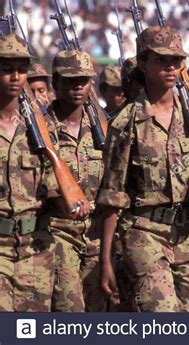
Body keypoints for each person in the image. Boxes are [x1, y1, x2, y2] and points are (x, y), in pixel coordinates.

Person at [98, 26, 189, 312]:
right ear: (142, 63)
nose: (170, 67)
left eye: (176, 61)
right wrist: (106, 259)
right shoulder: (126, 123)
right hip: (146, 233)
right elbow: (113, 195)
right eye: (161, 61)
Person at [0, 33, 87, 311]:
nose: (15, 77)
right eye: (6, 70)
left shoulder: (40, 127)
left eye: (21, 70)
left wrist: (66, 201)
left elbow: (52, 178)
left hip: (36, 249)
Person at [45, 50, 107, 312]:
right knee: (70, 309)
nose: (78, 86)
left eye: (84, 80)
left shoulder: (103, 128)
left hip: (98, 235)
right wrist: (56, 195)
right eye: (70, 80)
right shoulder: (39, 129)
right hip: (58, 233)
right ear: (55, 83)